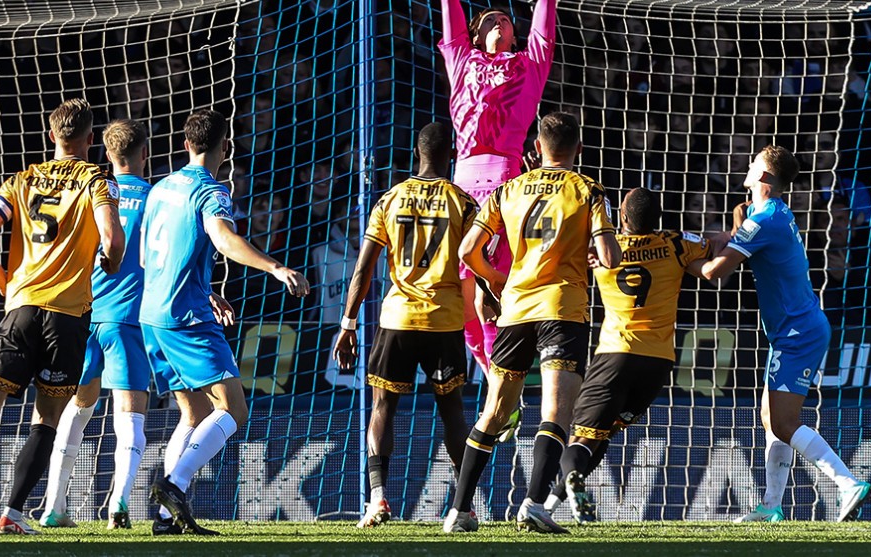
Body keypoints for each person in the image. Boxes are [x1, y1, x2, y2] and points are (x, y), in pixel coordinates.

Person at [0, 98, 124, 535]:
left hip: (21, 308)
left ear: (51, 136)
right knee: (46, 419)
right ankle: (12, 514)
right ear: (89, 140)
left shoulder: (22, 179)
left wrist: (7, 285)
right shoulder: (96, 180)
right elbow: (112, 239)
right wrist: (111, 261)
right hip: (66, 317)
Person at [443, 112, 621, 535]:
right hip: (561, 308)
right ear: (578, 150)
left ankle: (459, 511)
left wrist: (500, 281)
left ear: (537, 148)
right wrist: (595, 252)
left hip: (516, 311)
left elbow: (468, 251)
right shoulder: (588, 189)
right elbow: (610, 258)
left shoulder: (509, 189)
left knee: (493, 412)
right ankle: (534, 505)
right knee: (556, 412)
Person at [141, 108, 309, 534]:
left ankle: (165, 518)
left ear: (185, 145)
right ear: (226, 148)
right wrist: (274, 268)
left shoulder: (160, 187)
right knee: (233, 408)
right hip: (186, 317)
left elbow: (147, 256)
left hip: (152, 313)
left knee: (193, 414)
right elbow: (223, 238)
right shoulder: (210, 191)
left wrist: (206, 288)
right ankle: (174, 485)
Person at [699, 144, 871, 522]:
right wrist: (732, 230)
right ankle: (771, 505)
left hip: (798, 332)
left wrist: (676, 255)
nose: (746, 167)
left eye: (753, 164)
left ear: (762, 177)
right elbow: (739, 242)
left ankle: (847, 483)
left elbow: (715, 272)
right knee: (769, 416)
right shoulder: (771, 213)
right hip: (796, 328)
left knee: (783, 421)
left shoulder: (763, 221)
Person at [541, 187, 721, 522]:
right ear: (659, 219)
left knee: (580, 435)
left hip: (616, 354)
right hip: (658, 362)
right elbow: (713, 250)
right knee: (601, 435)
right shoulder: (677, 244)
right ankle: (552, 507)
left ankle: (563, 485)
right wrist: (736, 229)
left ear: (622, 218)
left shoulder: (602, 249)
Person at [333, 122, 479, 528]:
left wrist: (347, 323)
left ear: (418, 154)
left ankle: (377, 499)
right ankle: (463, 506)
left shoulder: (389, 200)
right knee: (452, 411)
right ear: (451, 156)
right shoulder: (463, 203)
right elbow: (479, 262)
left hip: (397, 319)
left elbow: (364, 268)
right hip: (444, 321)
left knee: (383, 407)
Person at [440, 0, 557, 378]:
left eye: (504, 18)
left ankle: (506, 369)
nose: (494, 19)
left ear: (514, 33)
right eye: (485, 17)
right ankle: (488, 369)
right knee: (463, 285)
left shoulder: (531, 64)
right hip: (464, 184)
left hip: (508, 184)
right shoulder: (460, 59)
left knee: (501, 282)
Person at [40, 118, 152, 530]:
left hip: (82, 316)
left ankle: (54, 505)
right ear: (145, 152)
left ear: (105, 153)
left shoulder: (91, 192)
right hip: (127, 321)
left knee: (77, 408)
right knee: (131, 416)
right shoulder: (155, 199)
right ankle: (119, 505)